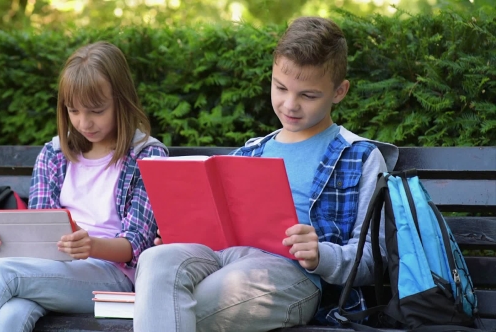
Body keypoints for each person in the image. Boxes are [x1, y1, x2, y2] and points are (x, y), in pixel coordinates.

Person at [133, 16, 399, 332]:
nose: (290, 104)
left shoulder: (360, 157)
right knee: (156, 260)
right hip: (225, 260)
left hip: (293, 277)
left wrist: (319, 255)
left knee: (180, 302)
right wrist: (184, 232)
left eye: (308, 95)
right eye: (280, 87)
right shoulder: (251, 152)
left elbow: (372, 260)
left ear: (339, 92)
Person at [0, 41, 168, 332]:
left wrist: (91, 245)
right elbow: (40, 235)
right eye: (73, 111)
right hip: (55, 271)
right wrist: (6, 239)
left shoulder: (145, 155)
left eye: (96, 110)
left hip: (114, 276)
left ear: (121, 100)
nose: (84, 122)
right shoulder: (55, 155)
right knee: (11, 315)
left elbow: (136, 245)